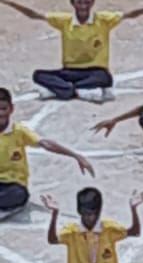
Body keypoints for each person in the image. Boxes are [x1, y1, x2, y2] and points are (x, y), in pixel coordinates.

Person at [0, 0, 143, 102]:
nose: (83, 6)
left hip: (95, 71)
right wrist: (10, 3)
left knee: (105, 78)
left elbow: (130, 15)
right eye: (79, 2)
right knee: (38, 75)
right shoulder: (65, 21)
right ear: (72, 2)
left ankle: (64, 90)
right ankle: (76, 90)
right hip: (70, 71)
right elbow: (34, 15)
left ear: (93, 2)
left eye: (87, 2)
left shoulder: (104, 20)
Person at [0, 87, 94, 216]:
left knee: (19, 195)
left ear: (11, 109)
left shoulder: (19, 131)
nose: (0, 113)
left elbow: (45, 143)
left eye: (3, 109)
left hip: (13, 185)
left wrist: (76, 156)